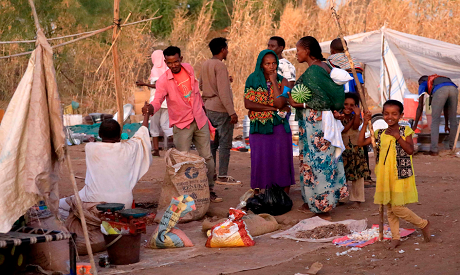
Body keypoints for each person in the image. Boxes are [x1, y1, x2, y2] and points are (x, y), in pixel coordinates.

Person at [150, 46, 222, 203]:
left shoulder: (189, 69)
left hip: (200, 119)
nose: (174, 65)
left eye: (176, 61)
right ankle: (185, 192)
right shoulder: (163, 81)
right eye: (170, 63)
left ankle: (209, 189)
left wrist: (203, 112)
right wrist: (150, 108)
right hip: (182, 124)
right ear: (165, 62)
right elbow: (157, 100)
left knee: (207, 157)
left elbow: (195, 94)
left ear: (181, 59)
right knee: (182, 160)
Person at [287, 36, 347, 220]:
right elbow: (334, 98)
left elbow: (321, 100)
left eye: (298, 50)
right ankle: (312, 200)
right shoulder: (326, 67)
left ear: (307, 50)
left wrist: (300, 105)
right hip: (320, 121)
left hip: (316, 122)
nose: (297, 54)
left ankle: (323, 207)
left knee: (318, 161)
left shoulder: (313, 71)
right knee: (320, 159)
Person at [59, 103, 153, 218]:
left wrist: (92, 141)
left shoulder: (90, 148)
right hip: (124, 203)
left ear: (99, 134)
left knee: (58, 206)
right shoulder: (130, 148)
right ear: (120, 135)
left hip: (94, 202)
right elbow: (141, 136)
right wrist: (146, 115)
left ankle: (87, 220)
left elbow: (97, 144)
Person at [358, 100, 431, 249]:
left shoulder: (406, 131)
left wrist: (398, 136)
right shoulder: (379, 133)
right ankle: (396, 237)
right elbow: (360, 142)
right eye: (386, 114)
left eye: (394, 114)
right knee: (390, 207)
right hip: (385, 175)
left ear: (401, 115)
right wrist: (365, 123)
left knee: (397, 207)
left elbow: (410, 150)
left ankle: (423, 224)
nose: (389, 117)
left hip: (399, 174)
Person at [244, 49, 295, 194]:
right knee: (260, 158)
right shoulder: (252, 79)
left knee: (281, 158)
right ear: (261, 64)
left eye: (274, 63)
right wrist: (271, 109)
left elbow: (280, 103)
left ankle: (283, 194)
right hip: (259, 127)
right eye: (267, 64)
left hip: (279, 127)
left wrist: (273, 82)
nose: (271, 66)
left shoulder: (282, 81)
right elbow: (248, 104)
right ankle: (259, 192)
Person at [200, 37, 240, 185]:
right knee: (224, 144)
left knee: (212, 143)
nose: (227, 51)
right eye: (226, 49)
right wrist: (232, 112)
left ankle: (212, 173)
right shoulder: (220, 66)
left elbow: (202, 85)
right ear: (223, 49)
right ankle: (223, 175)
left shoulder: (205, 64)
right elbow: (223, 92)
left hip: (208, 107)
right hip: (221, 109)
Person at [136, 50, 173, 157]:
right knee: (165, 124)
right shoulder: (167, 69)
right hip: (166, 101)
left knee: (155, 125)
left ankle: (157, 149)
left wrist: (144, 84)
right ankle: (162, 148)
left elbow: (158, 86)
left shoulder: (156, 70)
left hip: (156, 101)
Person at [412, 75, 458, 156]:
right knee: (453, 119)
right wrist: (446, 124)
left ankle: (434, 150)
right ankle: (452, 148)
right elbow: (446, 107)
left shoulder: (423, 84)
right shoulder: (439, 79)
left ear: (421, 81)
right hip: (454, 89)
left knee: (435, 121)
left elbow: (420, 106)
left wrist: (415, 125)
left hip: (440, 91)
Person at [340, 93, 369, 209]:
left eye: (352, 105)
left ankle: (357, 199)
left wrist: (356, 115)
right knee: (342, 174)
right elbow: (343, 129)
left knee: (358, 174)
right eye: (345, 104)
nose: (348, 107)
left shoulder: (357, 117)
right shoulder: (338, 117)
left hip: (356, 149)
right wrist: (352, 119)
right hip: (343, 150)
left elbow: (356, 126)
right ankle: (341, 198)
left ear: (356, 106)